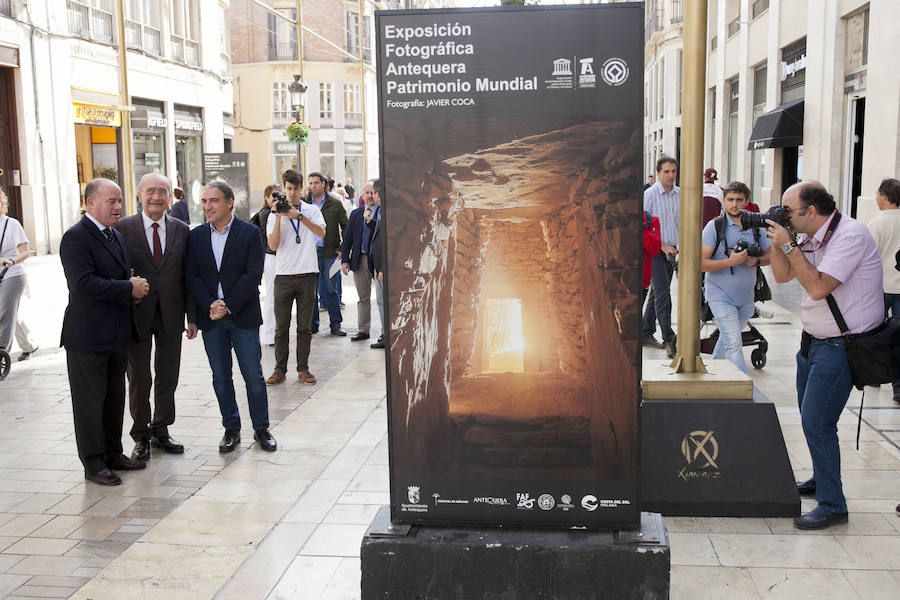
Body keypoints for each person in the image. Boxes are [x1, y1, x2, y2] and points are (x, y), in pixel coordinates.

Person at [768, 180, 884, 530]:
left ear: (812, 211)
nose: (785, 217)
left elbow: (818, 287)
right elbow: (782, 275)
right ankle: (822, 479)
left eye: (788, 212)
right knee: (809, 416)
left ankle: (833, 504)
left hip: (840, 346)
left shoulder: (850, 235)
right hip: (812, 342)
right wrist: (780, 245)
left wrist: (788, 245)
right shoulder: (808, 237)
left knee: (818, 421)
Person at [60, 178, 150, 486]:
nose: (118, 207)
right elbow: (83, 284)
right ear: (90, 203)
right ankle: (94, 462)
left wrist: (130, 283)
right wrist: (128, 287)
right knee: (89, 403)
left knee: (114, 399)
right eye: (111, 201)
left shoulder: (115, 235)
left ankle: (113, 453)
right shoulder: (75, 238)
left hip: (116, 334)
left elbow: (117, 275)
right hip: (87, 336)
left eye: (119, 201)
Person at [184, 181, 276, 453]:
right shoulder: (196, 236)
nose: (207, 206)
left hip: (243, 316)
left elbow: (253, 274)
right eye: (204, 201)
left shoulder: (249, 233)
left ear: (229, 202)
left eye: (212, 201)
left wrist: (228, 304)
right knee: (220, 376)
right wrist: (211, 304)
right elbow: (192, 275)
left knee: (253, 375)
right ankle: (231, 427)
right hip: (211, 318)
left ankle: (261, 428)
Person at [115, 173, 196, 461]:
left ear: (170, 197)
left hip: (172, 314)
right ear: (139, 195)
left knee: (168, 375)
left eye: (162, 191)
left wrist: (192, 315)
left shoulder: (182, 230)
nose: (156, 197)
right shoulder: (122, 228)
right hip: (135, 314)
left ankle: (161, 429)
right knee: (138, 377)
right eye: (150, 191)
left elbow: (188, 276)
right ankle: (141, 435)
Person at [700, 182, 772, 373]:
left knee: (726, 338)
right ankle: (745, 390)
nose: (734, 204)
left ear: (747, 201)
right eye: (730, 199)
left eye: (739, 200)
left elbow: (771, 256)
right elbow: (700, 263)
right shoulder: (715, 226)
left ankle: (713, 374)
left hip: (746, 299)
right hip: (719, 295)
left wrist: (755, 261)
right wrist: (730, 262)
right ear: (723, 201)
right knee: (734, 343)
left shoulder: (757, 227)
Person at [264, 170, 327, 386]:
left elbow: (321, 233)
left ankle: (303, 368)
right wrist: (281, 217)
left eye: (295, 189)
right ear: (283, 189)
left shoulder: (311, 210)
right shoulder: (274, 214)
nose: (291, 193)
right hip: (283, 276)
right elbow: (272, 246)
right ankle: (279, 369)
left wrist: (299, 216)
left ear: (302, 189)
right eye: (288, 189)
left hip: (307, 274)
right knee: (281, 327)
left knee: (304, 326)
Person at [641, 156, 679, 357]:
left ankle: (646, 332)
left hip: (672, 251)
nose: (671, 175)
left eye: (673, 171)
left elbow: (680, 222)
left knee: (657, 294)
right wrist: (662, 245)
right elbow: (644, 226)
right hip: (655, 251)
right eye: (666, 171)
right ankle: (669, 338)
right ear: (658, 173)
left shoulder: (680, 194)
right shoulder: (650, 195)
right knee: (663, 292)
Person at [866, 177, 900, 403]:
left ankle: (875, 374)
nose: (876, 198)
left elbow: (868, 258)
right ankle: (899, 386)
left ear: (885, 196)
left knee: (875, 333)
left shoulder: (876, 224)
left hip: (880, 287)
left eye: (878, 194)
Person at [307, 172, 348, 335]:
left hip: (330, 252)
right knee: (310, 291)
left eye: (316, 183)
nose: (313, 186)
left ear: (323, 184)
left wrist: (343, 248)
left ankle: (335, 324)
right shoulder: (304, 204)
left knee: (331, 289)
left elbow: (346, 225)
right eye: (310, 183)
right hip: (309, 253)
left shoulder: (335, 203)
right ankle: (313, 324)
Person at [341, 183, 376, 342]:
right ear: (361, 195)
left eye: (372, 192)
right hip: (360, 260)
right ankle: (363, 330)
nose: (369, 195)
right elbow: (347, 239)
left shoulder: (382, 213)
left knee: (383, 298)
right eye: (367, 192)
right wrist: (345, 261)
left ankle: (385, 332)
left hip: (377, 260)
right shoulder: (355, 214)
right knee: (363, 297)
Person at [0, 187, 32, 359]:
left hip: (12, 273)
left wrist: (10, 261)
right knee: (10, 312)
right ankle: (29, 344)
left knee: (5, 313)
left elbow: (25, 251)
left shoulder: (11, 224)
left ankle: (1, 353)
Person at [251, 184, 280, 347]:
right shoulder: (266, 214)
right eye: (273, 197)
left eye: (279, 196)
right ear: (266, 199)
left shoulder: (277, 213)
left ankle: (273, 333)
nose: (276, 200)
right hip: (270, 257)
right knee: (272, 297)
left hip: (277, 258)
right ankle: (269, 335)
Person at [368, 178, 386, 349]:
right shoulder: (379, 211)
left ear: (378, 194)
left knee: (384, 302)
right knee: (380, 302)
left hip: (382, 269)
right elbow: (377, 237)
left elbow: (389, 243)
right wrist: (370, 222)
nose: (372, 196)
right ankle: (384, 333)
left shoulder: (388, 212)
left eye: (373, 193)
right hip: (377, 267)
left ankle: (387, 335)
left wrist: (383, 269)